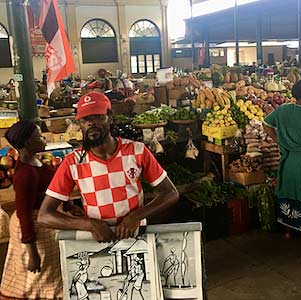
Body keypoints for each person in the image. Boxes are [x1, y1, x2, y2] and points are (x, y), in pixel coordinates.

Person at [38, 91, 179, 242]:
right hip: (98, 241)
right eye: (85, 119)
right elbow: (44, 216)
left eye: (98, 117)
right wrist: (89, 224)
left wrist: (135, 216)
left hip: (136, 237)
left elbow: (170, 193)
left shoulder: (136, 151)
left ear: (110, 118)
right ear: (80, 124)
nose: (91, 123)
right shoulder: (73, 162)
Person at [0, 121, 63, 299]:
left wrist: (67, 205)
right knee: (36, 275)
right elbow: (23, 213)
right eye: (39, 136)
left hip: (42, 221)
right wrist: (32, 251)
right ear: (28, 143)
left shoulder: (36, 162)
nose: (44, 138)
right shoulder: (25, 174)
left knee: (44, 275)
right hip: (31, 227)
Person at [263, 80, 301, 247]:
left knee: (289, 192)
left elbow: (266, 124)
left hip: (288, 161)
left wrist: (279, 141)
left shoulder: (282, 109)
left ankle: (289, 231)